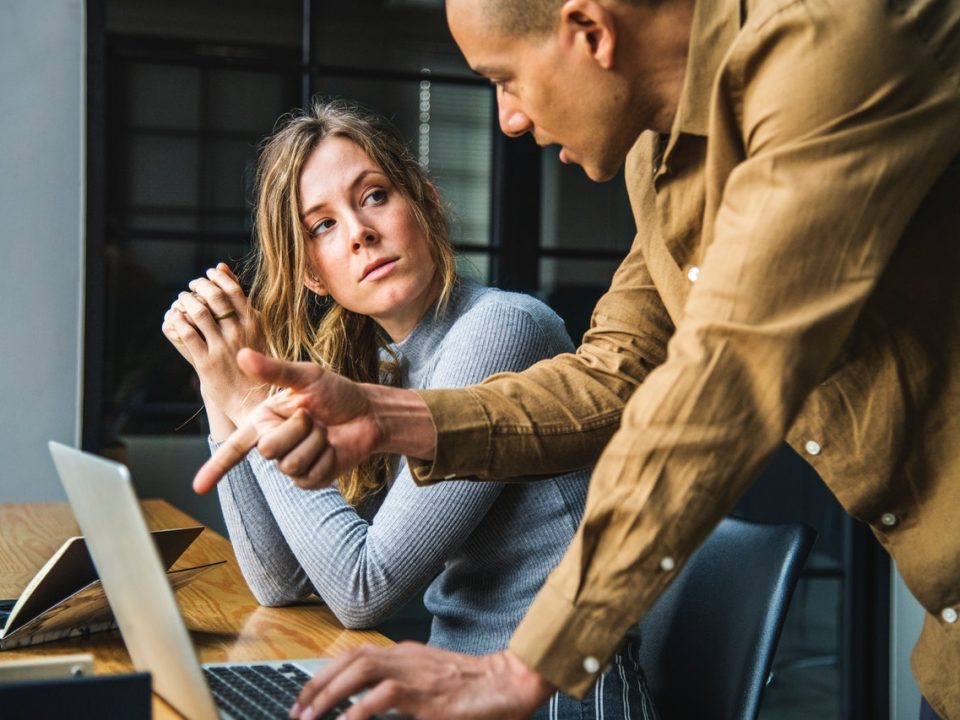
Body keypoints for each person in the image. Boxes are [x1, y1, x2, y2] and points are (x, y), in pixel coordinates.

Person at [195, 0, 960, 718]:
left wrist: (524, 665)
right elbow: (614, 375)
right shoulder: (657, 163)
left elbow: (723, 378)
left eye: (505, 79)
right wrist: (385, 415)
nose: (511, 118)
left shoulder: (830, 59)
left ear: (589, 30)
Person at [163, 99, 657, 719]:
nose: (359, 233)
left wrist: (253, 402)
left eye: (373, 197)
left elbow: (361, 589)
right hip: (458, 692)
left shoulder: (501, 329)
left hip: (556, 699)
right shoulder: (387, 364)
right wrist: (220, 385)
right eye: (322, 226)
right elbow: (281, 584)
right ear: (315, 276)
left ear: (423, 202)